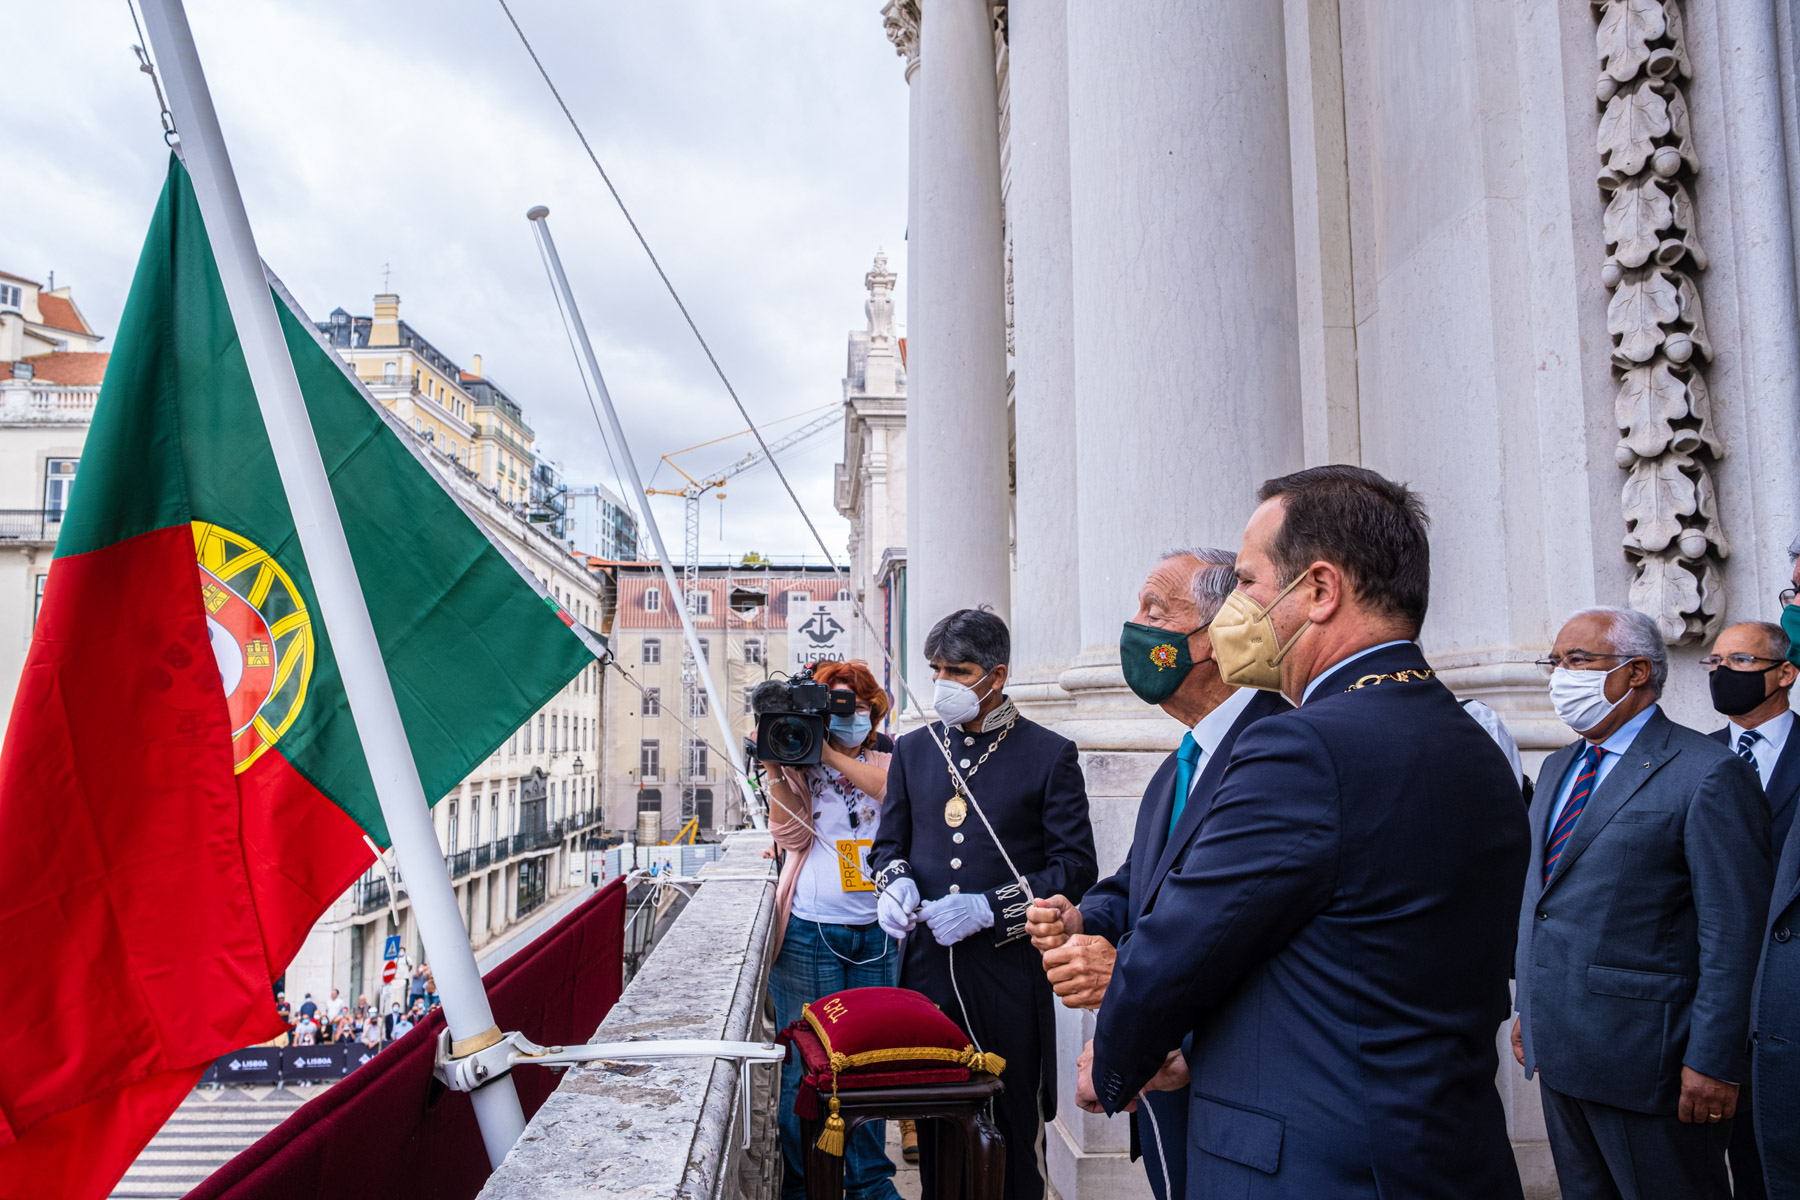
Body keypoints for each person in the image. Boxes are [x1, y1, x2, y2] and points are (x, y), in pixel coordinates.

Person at [1083, 465, 1530, 1197]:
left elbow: (1185, 944)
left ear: (1320, 591)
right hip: (1447, 1151)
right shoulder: (1474, 739)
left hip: (1313, 1163)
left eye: (1252, 583)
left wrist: (1119, 1057)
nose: (1238, 608)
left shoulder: (1304, 747)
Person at [1023, 547, 1288, 1200]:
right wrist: (1083, 916)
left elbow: (1234, 920)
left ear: (1219, 631)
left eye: (1154, 610)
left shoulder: (1279, 748)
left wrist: (1120, 1030)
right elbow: (1140, 882)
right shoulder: (1181, 762)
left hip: (1234, 1080)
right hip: (1164, 1076)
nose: (1134, 629)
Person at [1514, 607, 1770, 1200]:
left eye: (1576, 661)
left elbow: (1734, 933)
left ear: (1634, 673)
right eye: (1554, 662)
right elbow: (1544, 898)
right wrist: (1531, 1002)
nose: (1558, 676)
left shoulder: (1709, 773)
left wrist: (1713, 1060)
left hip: (1651, 1066)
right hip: (1560, 1053)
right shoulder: (1556, 768)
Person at [872, 607, 1096, 1200]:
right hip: (926, 973)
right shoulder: (915, 750)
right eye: (935, 669)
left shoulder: (1048, 754)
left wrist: (991, 907)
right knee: (937, 1133)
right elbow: (887, 846)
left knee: (1012, 1130)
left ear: (996, 675)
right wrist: (891, 885)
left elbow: (1076, 867)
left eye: (958, 670)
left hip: (1006, 974)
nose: (943, 682)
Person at [762, 659, 903, 1200]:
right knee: (804, 1069)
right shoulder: (799, 761)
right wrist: (777, 767)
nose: (847, 716)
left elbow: (893, 793)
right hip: (807, 933)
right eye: (835, 707)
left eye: (857, 706)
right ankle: (805, 1186)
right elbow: (790, 837)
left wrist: (831, 752)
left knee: (868, 1065)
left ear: (874, 712)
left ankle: (870, 1182)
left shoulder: (892, 756)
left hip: (879, 931)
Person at [1704, 620, 1799, 1199]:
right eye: (1713, 663)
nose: (1722, 674)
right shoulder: (1697, 760)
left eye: (1738, 662)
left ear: (1784, 674)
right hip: (1733, 1016)